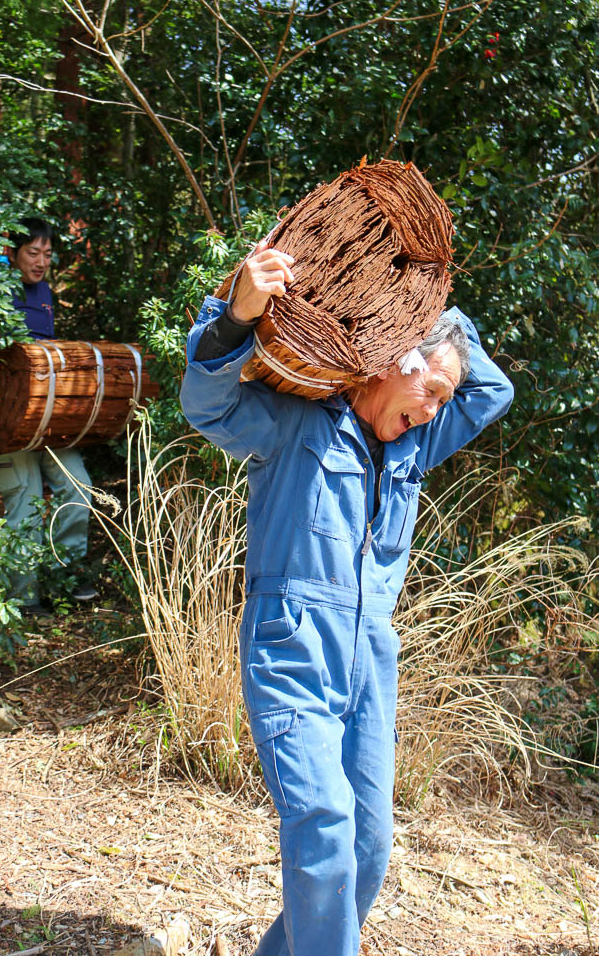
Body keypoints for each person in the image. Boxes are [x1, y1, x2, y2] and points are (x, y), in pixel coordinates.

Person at [180, 240, 514, 956]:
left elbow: (491, 392)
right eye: (431, 393)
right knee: (325, 826)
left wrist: (421, 300)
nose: (434, 413)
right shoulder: (293, 422)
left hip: (371, 656)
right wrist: (236, 313)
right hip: (293, 641)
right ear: (398, 364)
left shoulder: (410, 449)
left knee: (365, 845)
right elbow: (205, 400)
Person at [0, 218, 96, 611]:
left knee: (78, 488)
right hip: (6, 416)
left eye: (47, 254)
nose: (40, 262)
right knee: (25, 501)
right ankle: (23, 597)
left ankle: (64, 579)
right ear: (13, 253)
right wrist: (2, 356)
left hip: (47, 415)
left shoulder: (43, 292)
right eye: (32, 253)